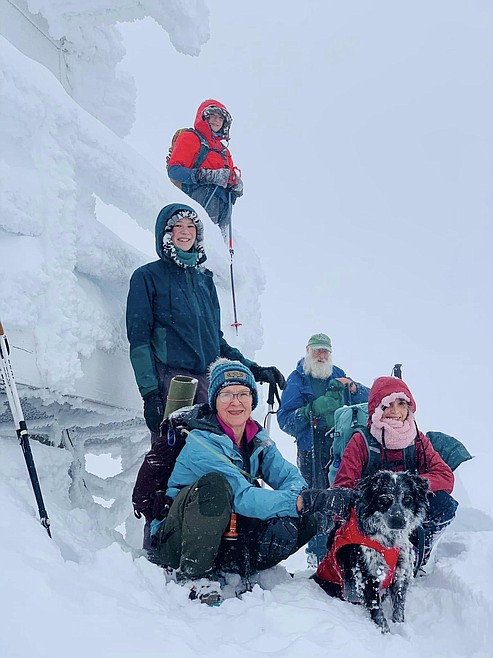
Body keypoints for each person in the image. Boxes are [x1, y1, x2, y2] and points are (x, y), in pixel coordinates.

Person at [149, 358, 354, 605]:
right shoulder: (201, 442)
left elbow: (287, 475)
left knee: (305, 519)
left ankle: (241, 568)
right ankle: (195, 576)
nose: (236, 402)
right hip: (179, 541)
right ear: (214, 400)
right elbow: (243, 498)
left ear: (252, 400)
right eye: (227, 394)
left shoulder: (256, 436)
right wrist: (299, 501)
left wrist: (304, 501)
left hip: (228, 537)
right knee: (215, 487)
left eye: (243, 394)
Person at [126, 204, 284, 441]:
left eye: (191, 226)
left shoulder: (204, 281)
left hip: (208, 384)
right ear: (165, 233)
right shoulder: (147, 277)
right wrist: (150, 395)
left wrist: (254, 369)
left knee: (216, 452)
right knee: (172, 453)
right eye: (178, 226)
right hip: (173, 383)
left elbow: (216, 342)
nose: (185, 231)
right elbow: (139, 340)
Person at [330, 375, 458, 570]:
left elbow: (445, 476)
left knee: (444, 504)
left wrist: (410, 486)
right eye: (388, 405)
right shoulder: (361, 441)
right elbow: (343, 486)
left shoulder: (416, 439)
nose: (396, 411)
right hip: (374, 517)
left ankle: (414, 557)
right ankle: (373, 561)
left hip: (406, 509)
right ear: (376, 409)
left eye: (401, 404)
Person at [277, 333, 369, 565]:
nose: (321, 355)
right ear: (308, 350)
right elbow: (285, 420)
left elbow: (368, 401)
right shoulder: (297, 380)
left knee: (343, 493)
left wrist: (354, 388)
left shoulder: (338, 375)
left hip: (340, 446)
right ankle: (318, 555)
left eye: (325, 351)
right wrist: (311, 410)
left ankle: (341, 549)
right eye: (317, 350)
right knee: (316, 497)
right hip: (311, 449)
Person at [166, 99, 243, 236]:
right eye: (212, 115)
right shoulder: (190, 138)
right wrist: (207, 176)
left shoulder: (224, 151)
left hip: (223, 208)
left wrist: (236, 184)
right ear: (203, 117)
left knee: (218, 241)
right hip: (197, 201)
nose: (216, 120)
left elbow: (228, 176)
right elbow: (174, 171)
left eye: (220, 118)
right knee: (201, 238)